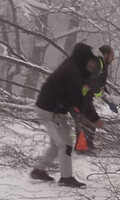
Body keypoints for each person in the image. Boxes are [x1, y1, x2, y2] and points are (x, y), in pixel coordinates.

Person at [30, 43, 104, 188]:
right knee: (64, 144)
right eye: (91, 61)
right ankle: (66, 178)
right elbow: (78, 99)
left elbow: (83, 98)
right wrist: (93, 118)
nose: (92, 65)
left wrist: (92, 116)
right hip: (49, 112)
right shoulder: (72, 71)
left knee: (60, 143)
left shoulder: (76, 69)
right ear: (84, 58)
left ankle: (39, 171)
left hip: (56, 112)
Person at [74, 44, 117, 153]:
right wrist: (100, 94)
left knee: (91, 121)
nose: (113, 59)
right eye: (112, 56)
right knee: (82, 121)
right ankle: (81, 148)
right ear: (106, 55)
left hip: (85, 97)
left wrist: (109, 101)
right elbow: (92, 82)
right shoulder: (95, 62)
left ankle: (89, 145)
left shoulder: (102, 64)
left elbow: (100, 85)